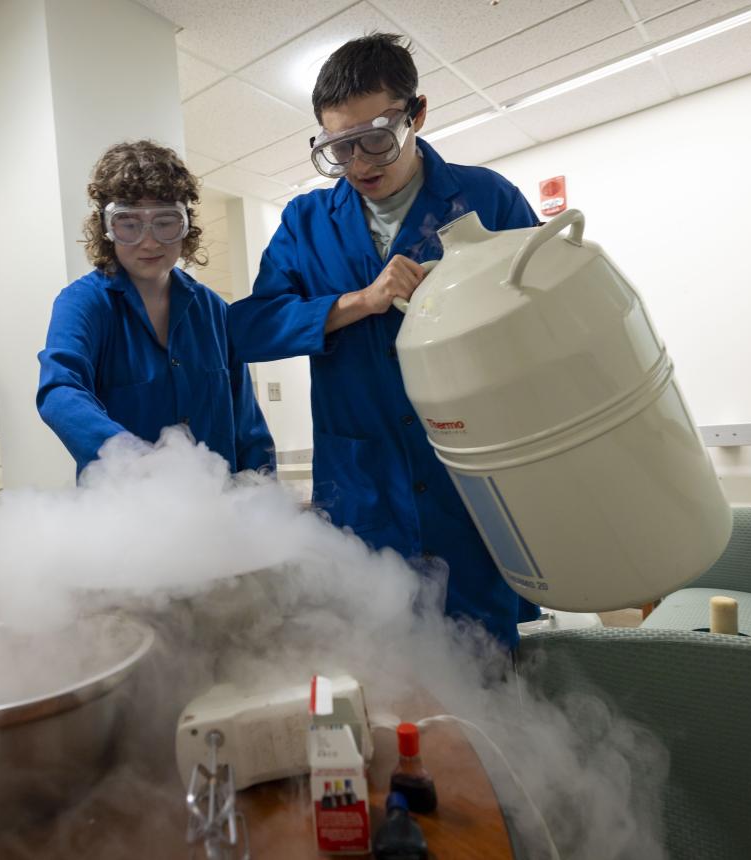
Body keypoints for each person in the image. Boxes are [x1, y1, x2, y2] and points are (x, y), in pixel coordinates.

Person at [228, 34, 541, 647]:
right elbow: (250, 328)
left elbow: (540, 315)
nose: (359, 164)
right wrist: (359, 303)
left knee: (484, 662)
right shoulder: (306, 222)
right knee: (375, 663)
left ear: (416, 114)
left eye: (375, 138)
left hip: (468, 476)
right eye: (337, 147)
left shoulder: (486, 198)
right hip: (362, 486)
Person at [37, 140, 274, 477]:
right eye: (129, 224)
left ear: (186, 225)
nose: (149, 242)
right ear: (107, 229)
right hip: (127, 504)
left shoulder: (215, 311)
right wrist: (132, 460)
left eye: (165, 222)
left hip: (219, 503)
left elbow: (247, 423)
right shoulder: (83, 303)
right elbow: (60, 391)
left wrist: (263, 489)